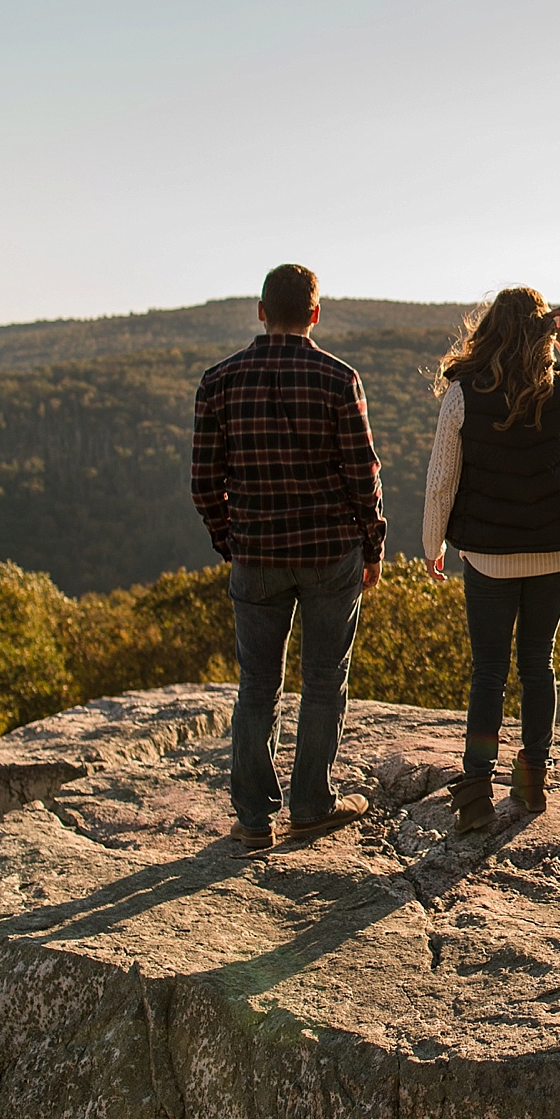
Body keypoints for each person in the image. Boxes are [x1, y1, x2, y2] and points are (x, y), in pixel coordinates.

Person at [191, 263, 384, 850]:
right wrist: (373, 544)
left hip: (256, 555)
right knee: (324, 680)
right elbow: (363, 474)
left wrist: (233, 541)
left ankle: (253, 821)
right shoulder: (338, 377)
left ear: (259, 310)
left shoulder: (218, 381)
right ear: (315, 314)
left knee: (258, 685)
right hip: (330, 552)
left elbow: (204, 484)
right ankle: (311, 805)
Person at [422, 287, 560, 834]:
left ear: (490, 330)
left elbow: (441, 481)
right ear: (544, 332)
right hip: (556, 548)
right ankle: (533, 778)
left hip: (489, 555)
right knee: (537, 664)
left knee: (489, 671)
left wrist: (433, 547)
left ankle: (476, 788)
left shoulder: (463, 393)